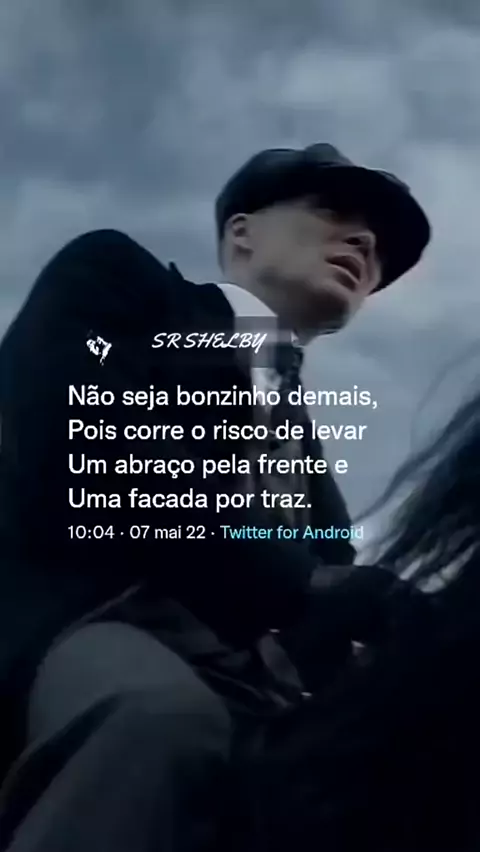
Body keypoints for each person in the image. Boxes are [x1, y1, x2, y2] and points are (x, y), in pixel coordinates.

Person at [0, 143, 430, 851]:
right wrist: (302, 584)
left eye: (378, 246)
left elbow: (329, 605)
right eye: (333, 210)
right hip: (93, 623)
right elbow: (76, 449)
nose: (364, 243)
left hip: (260, 682)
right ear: (242, 233)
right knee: (162, 718)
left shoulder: (309, 458)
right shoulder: (118, 278)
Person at [234, 388, 480, 852]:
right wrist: (309, 582)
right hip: (160, 614)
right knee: (160, 723)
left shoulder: (286, 401)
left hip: (276, 642)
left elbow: (332, 534)